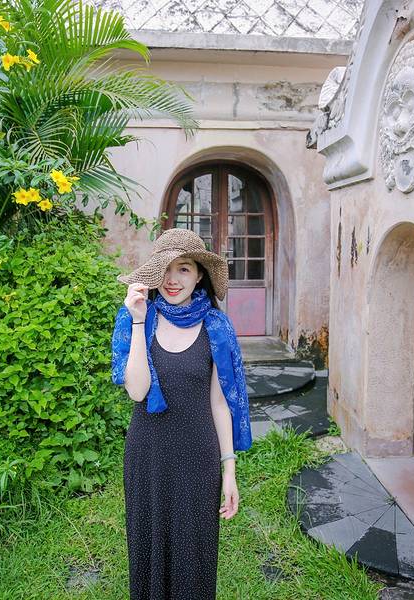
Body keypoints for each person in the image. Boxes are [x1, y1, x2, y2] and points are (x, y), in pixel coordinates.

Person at [111, 228, 252, 600]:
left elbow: (220, 403)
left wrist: (229, 470)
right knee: (148, 550)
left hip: (198, 459)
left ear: (200, 274)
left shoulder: (216, 327)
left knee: (194, 555)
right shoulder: (138, 319)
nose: (173, 279)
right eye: (166, 269)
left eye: (184, 268)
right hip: (148, 456)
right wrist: (138, 320)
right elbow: (137, 391)